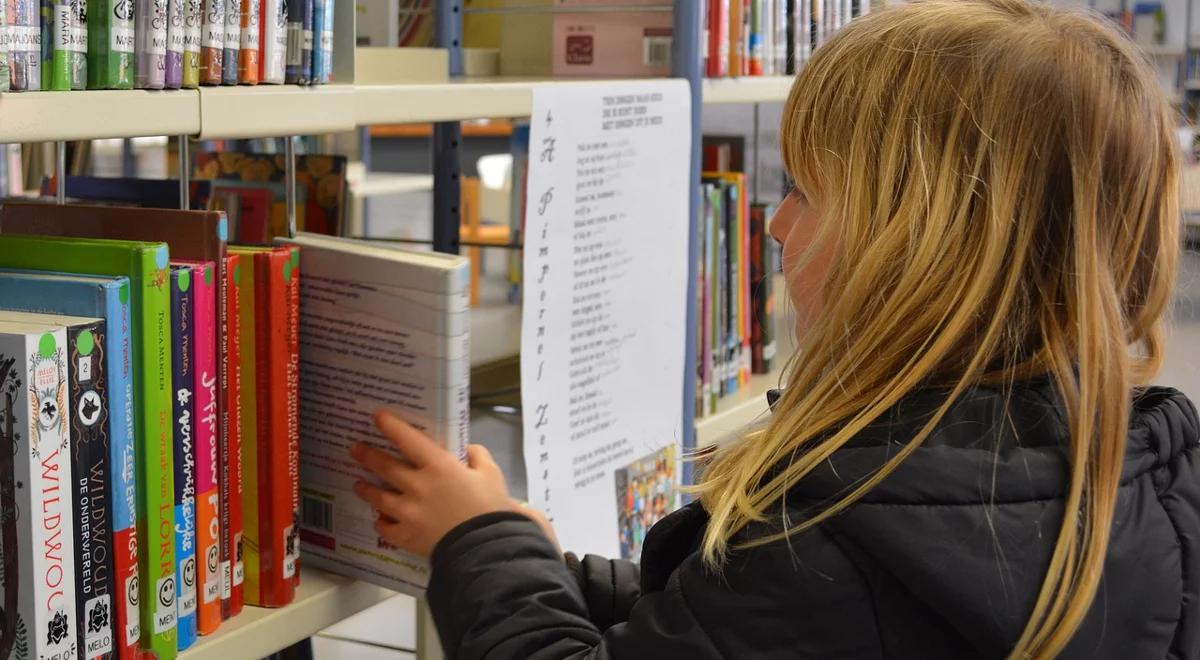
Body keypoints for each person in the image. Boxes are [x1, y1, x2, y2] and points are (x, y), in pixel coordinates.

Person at [347, 0, 1199, 657]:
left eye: (807, 191)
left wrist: (475, 541)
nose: (774, 223)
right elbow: (714, 622)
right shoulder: (1130, 461)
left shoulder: (837, 536)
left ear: (924, 244)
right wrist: (537, 566)